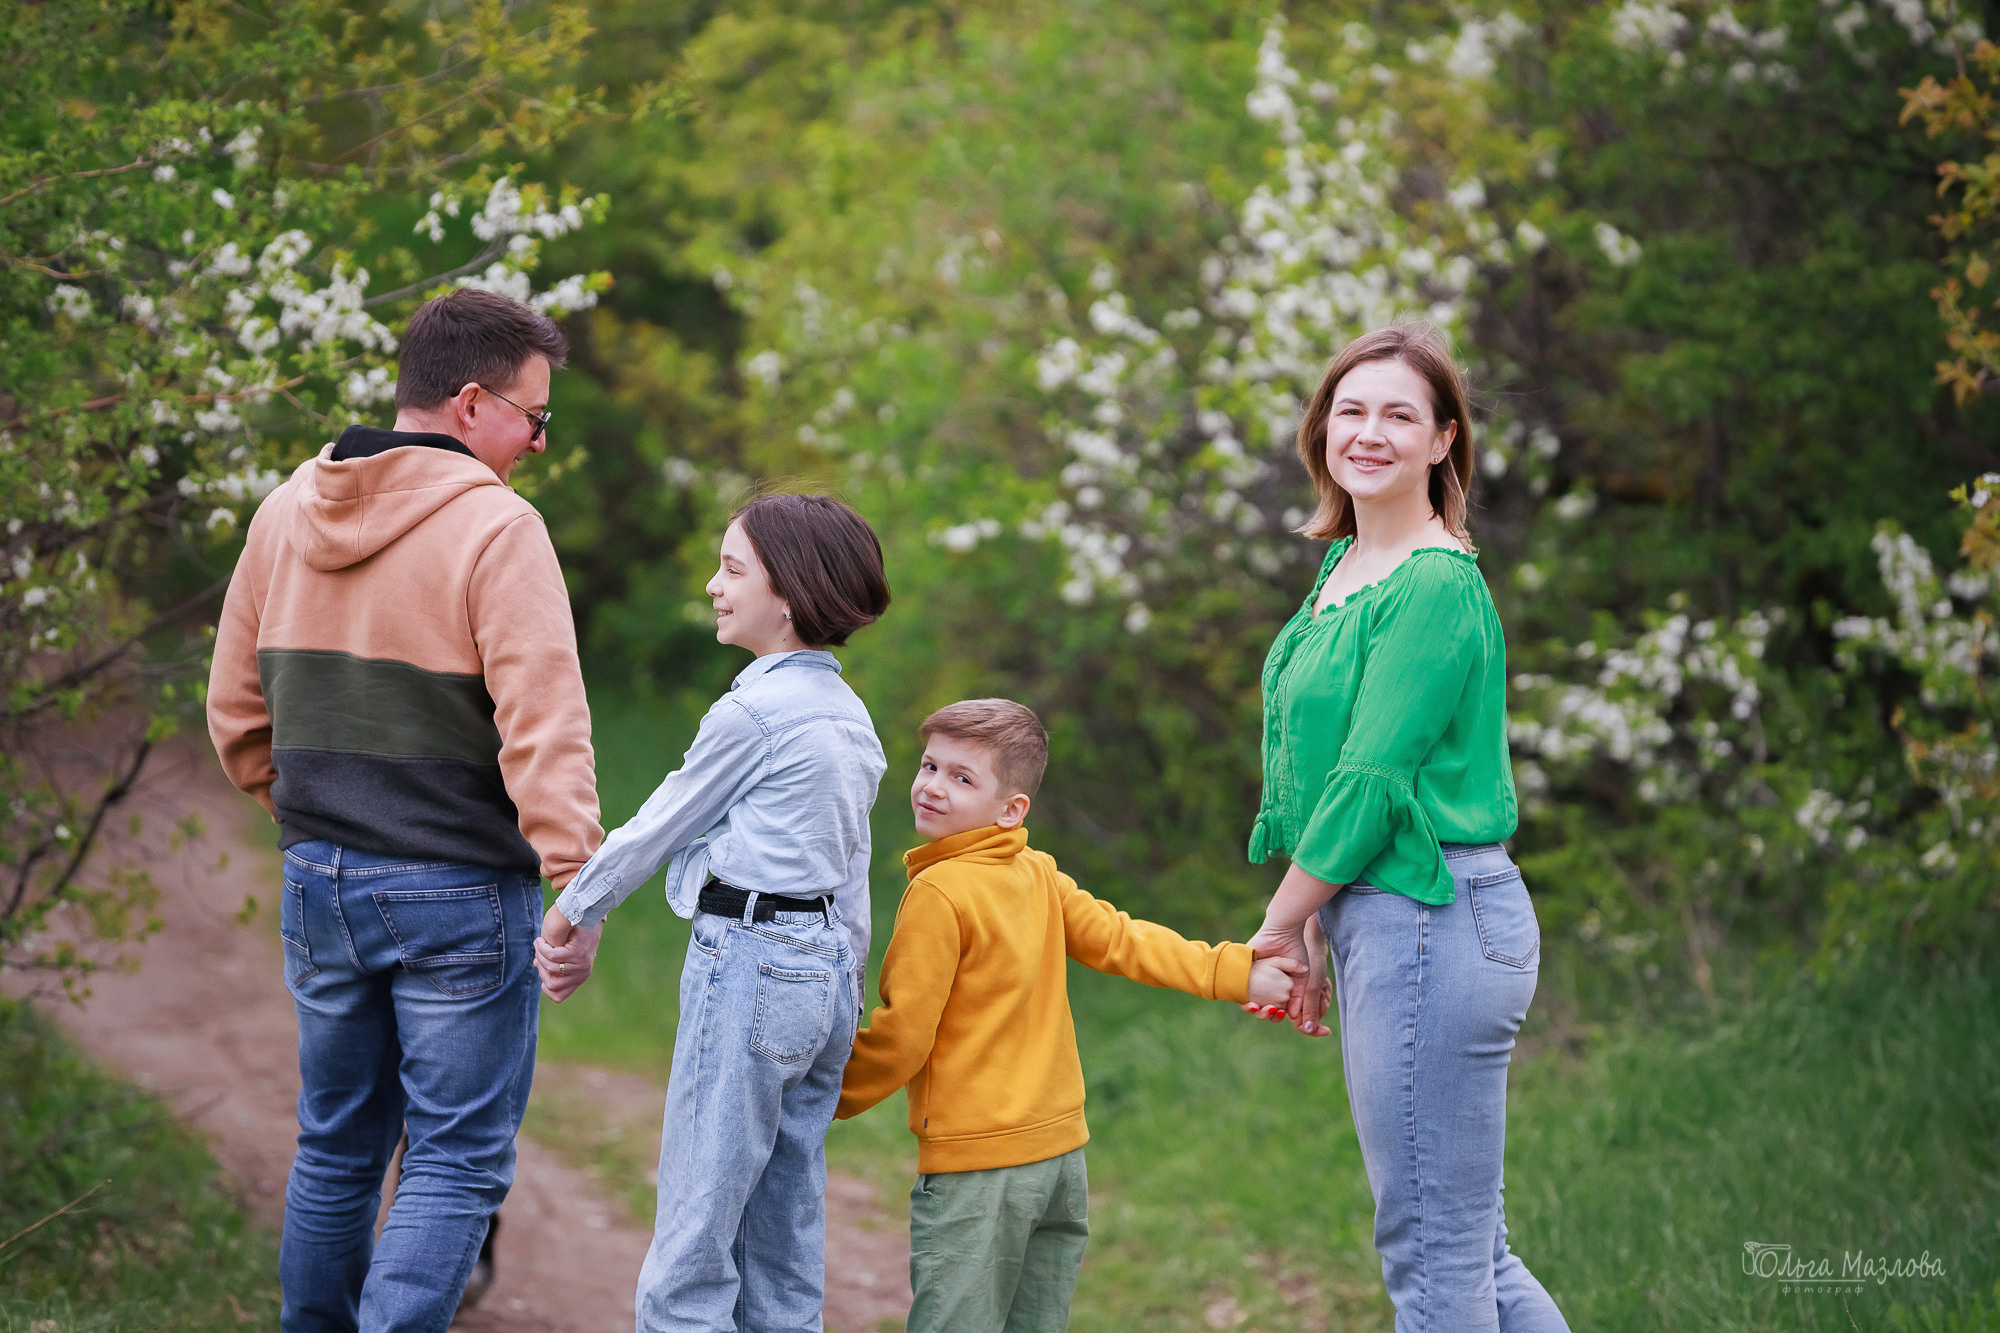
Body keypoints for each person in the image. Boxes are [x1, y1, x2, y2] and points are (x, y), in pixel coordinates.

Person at [206, 287, 603, 1332]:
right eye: (534, 417)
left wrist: (314, 816)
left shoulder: (287, 509)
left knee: (335, 1144)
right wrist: (577, 881)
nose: (538, 442)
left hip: (321, 876)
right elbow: (543, 725)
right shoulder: (497, 529)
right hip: (458, 889)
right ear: (472, 404)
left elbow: (234, 711)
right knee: (455, 1158)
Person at [1241, 321, 1570, 1331]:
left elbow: (1369, 780)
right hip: (1392, 918)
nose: (1368, 431)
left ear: (1441, 441)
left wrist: (1279, 921)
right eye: (1350, 410)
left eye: (1398, 414)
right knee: (1466, 1252)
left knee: (1432, 1261)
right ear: (1320, 432)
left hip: (1433, 916)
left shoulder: (1431, 583)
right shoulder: (1343, 567)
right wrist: (1320, 917)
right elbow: (1309, 762)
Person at [536, 493, 890, 1333]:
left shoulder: (754, 713)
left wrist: (575, 908)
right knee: (785, 1229)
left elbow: (663, 819)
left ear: (791, 594)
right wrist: (850, 982)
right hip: (826, 976)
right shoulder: (851, 717)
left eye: (732, 569)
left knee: (696, 1231)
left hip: (753, 966)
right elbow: (853, 871)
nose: (712, 585)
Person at [834, 699, 1302, 1333]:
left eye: (961, 777)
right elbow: (1125, 940)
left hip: (979, 1167)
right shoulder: (1035, 873)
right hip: (1059, 1159)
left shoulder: (939, 893)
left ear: (1012, 809)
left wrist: (824, 1096)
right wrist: (1238, 970)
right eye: (929, 766)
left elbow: (903, 1033)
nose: (933, 787)